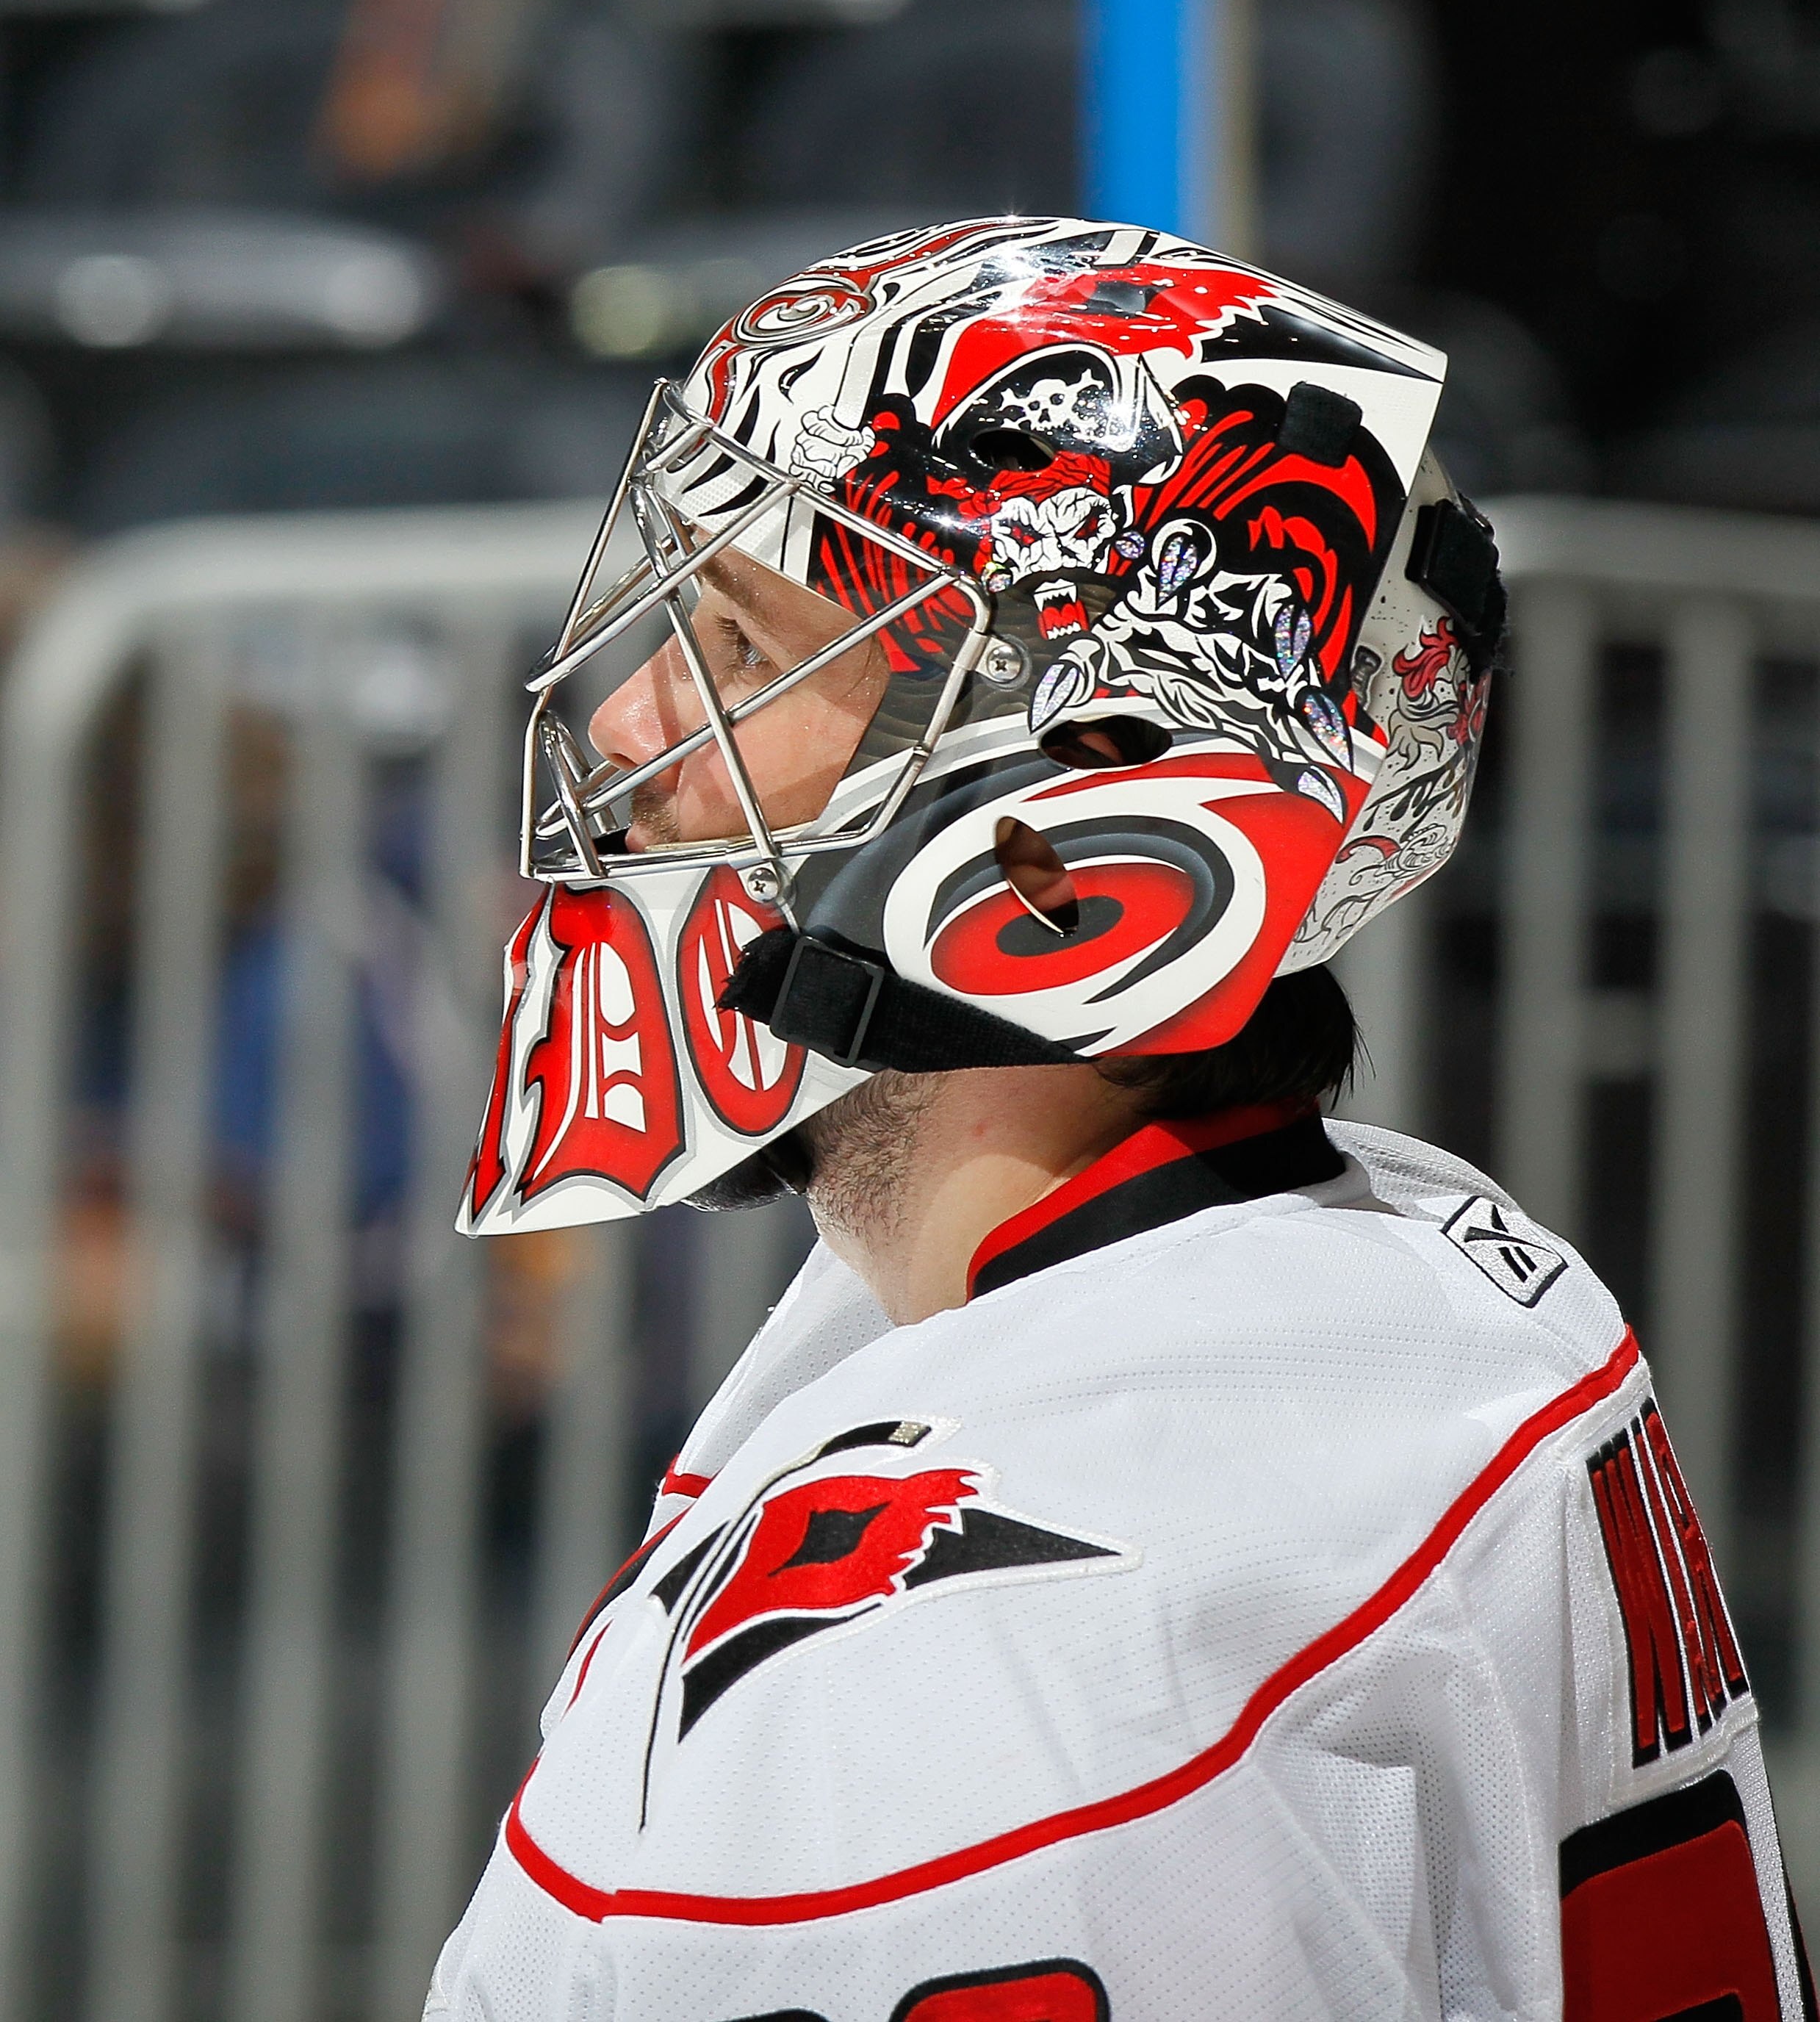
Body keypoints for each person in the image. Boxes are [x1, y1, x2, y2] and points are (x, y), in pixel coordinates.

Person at [431, 217, 1808, 2020]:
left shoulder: (956, 1672)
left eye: (739, 643)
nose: (632, 718)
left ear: (1053, 829)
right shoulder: (1436, 1266)